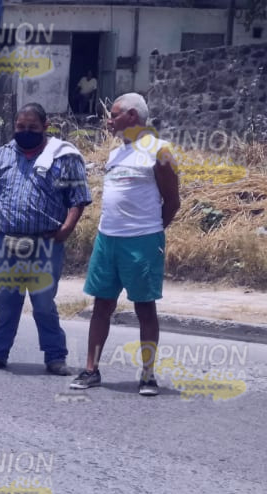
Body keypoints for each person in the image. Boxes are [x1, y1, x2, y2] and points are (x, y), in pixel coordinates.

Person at [71, 93, 180, 396]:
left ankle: (147, 375)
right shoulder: (115, 155)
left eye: (114, 114)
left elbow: (172, 202)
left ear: (132, 116)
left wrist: (149, 232)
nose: (108, 120)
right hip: (107, 240)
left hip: (142, 242)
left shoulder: (160, 150)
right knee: (101, 305)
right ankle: (91, 370)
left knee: (144, 307)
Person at [0, 103, 91, 375]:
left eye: (32, 127)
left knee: (44, 304)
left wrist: (66, 229)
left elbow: (78, 199)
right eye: (20, 127)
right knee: (6, 303)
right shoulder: (0, 155)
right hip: (5, 242)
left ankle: (55, 357)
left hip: (45, 245)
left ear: (45, 126)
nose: (25, 131)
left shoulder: (63, 157)